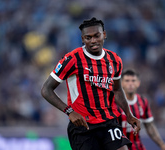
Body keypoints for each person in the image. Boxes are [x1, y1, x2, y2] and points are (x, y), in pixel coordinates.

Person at [41, 17, 141, 150]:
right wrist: (69, 112)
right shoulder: (72, 59)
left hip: (108, 122)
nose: (93, 41)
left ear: (104, 35)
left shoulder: (115, 60)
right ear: (83, 39)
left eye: (97, 36)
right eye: (88, 38)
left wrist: (128, 114)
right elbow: (46, 90)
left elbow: (116, 90)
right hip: (83, 127)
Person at [118, 69, 165, 150]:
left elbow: (149, 126)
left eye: (133, 81)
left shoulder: (143, 102)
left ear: (138, 83)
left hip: (137, 147)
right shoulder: (114, 102)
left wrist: (162, 145)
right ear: (121, 83)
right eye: (127, 81)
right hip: (118, 146)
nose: (130, 84)